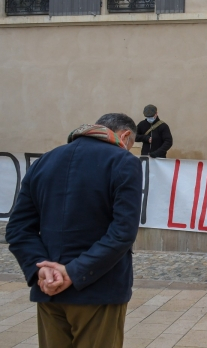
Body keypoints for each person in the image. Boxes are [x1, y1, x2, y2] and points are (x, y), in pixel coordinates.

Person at [5, 113, 143, 348]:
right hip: (98, 291)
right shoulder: (123, 161)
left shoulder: (45, 160)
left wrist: (42, 270)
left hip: (48, 288)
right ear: (126, 136)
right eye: (131, 145)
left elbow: (18, 228)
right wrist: (72, 272)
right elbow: (122, 232)